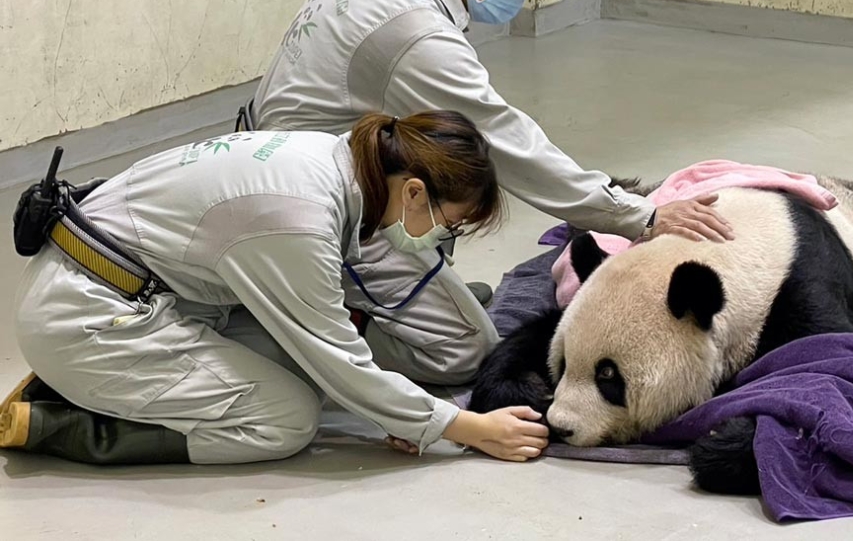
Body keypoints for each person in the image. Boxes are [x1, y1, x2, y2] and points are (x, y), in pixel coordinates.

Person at [240, 0, 734, 378]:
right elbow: (504, 142)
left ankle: (397, 295)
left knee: (443, 156)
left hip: (275, 155)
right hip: (310, 208)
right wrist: (637, 216)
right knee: (469, 351)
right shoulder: (412, 30)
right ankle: (313, 328)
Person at [0, 112, 548, 466]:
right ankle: (69, 422)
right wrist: (466, 428)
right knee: (286, 419)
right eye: (449, 225)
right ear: (413, 192)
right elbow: (340, 362)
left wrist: (403, 413)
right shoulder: (298, 220)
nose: (441, 237)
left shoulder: (329, 157)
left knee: (305, 371)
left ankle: (112, 386)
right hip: (91, 319)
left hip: (139, 290)